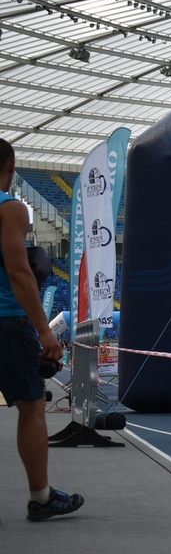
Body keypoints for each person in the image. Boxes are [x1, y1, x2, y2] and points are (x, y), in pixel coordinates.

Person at [0, 137, 84, 522]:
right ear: (11, 167)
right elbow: (19, 272)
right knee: (32, 405)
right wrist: (45, 332)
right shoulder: (11, 207)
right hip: (7, 320)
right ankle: (41, 496)